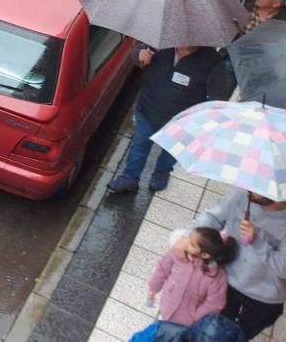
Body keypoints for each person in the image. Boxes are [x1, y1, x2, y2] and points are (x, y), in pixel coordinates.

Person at [107, 45, 219, 194]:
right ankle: (130, 178)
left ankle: (162, 172)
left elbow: (218, 97)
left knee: (170, 152)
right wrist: (138, 54)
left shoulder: (212, 60)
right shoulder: (160, 43)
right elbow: (134, 53)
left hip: (181, 122)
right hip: (148, 109)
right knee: (139, 146)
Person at [178, 188, 286, 339]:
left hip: (264, 297)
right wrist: (187, 236)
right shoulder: (242, 195)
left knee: (238, 335)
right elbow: (212, 217)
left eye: (259, 190)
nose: (251, 192)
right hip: (225, 280)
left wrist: (257, 242)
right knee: (210, 327)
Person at [146, 227, 234, 328]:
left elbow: (214, 304)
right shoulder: (178, 254)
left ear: (205, 254)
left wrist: (196, 318)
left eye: (192, 243)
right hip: (166, 309)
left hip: (186, 324)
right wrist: (153, 288)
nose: (186, 242)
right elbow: (162, 270)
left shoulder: (217, 277)